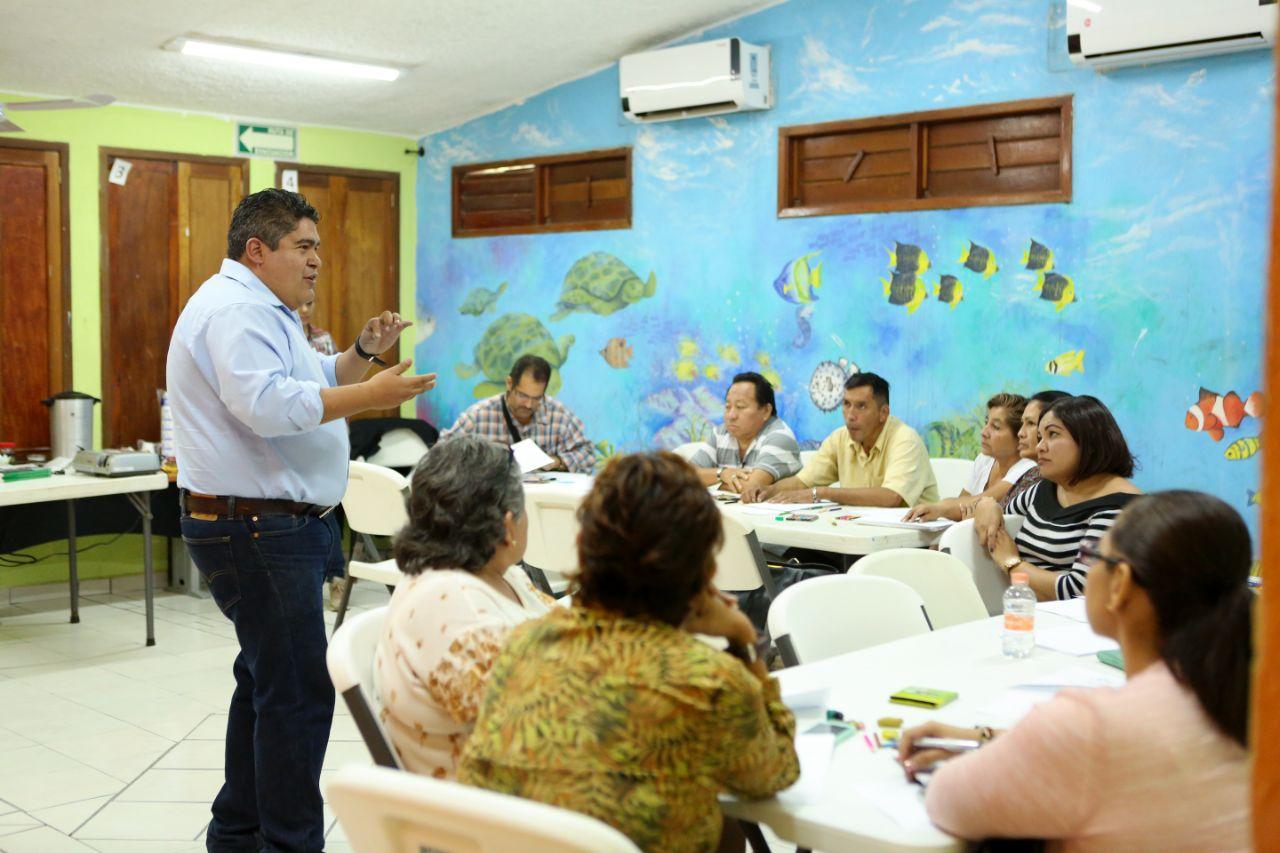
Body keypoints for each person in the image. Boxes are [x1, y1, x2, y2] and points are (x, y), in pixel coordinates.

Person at [168, 188, 437, 853]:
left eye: (318, 247)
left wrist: (361, 356)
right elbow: (265, 404)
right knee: (296, 695)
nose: (317, 260)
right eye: (304, 247)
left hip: (272, 526)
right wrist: (370, 395)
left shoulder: (266, 309)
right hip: (257, 529)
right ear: (256, 250)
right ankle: (287, 844)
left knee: (266, 680)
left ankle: (238, 834)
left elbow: (313, 375)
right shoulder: (235, 309)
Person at [458, 453, 799, 852]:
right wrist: (746, 643)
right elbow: (776, 772)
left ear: (584, 546)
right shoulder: (707, 682)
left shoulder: (523, 644)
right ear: (701, 567)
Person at [900, 491, 1253, 850]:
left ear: (1120, 585)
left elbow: (950, 800)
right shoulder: (1244, 693)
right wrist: (990, 740)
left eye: (1092, 556)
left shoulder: (1092, 726)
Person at [374, 434, 552, 778]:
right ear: (508, 524)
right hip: (487, 811)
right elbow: (536, 721)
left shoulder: (496, 572)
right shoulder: (449, 605)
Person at [973, 395, 1141, 600]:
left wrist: (1012, 564)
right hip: (1027, 614)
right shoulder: (1047, 489)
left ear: (1089, 441)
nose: (1040, 447)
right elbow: (1001, 510)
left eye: (1053, 434)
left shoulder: (1119, 506)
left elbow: (1079, 590)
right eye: (1041, 437)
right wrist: (987, 506)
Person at [742, 372, 938, 507]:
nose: (850, 415)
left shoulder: (905, 439)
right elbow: (803, 482)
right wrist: (769, 490)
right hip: (861, 537)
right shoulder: (840, 438)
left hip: (912, 546)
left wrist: (824, 493)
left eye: (861, 406)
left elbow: (891, 497)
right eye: (846, 404)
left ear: (883, 413)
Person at [440, 354, 593, 473]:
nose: (528, 405)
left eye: (537, 398)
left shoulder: (559, 415)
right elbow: (440, 454)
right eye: (522, 395)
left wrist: (556, 462)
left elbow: (588, 455)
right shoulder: (478, 416)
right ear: (509, 384)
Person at [905, 392, 1032, 521]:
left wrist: (938, 508)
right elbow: (962, 502)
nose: (984, 432)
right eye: (986, 423)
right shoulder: (984, 460)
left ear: (1020, 436)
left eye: (996, 427)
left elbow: (978, 501)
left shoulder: (1028, 469)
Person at [686, 371, 802, 493]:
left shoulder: (780, 436)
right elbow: (685, 474)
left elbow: (750, 488)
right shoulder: (721, 433)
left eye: (740, 407)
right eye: (727, 406)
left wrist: (705, 482)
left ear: (766, 411)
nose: (731, 416)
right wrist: (722, 473)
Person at [999, 390, 1071, 509]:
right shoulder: (1033, 473)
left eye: (1031, 423)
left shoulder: (1053, 483)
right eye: (1022, 423)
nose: (1020, 433)